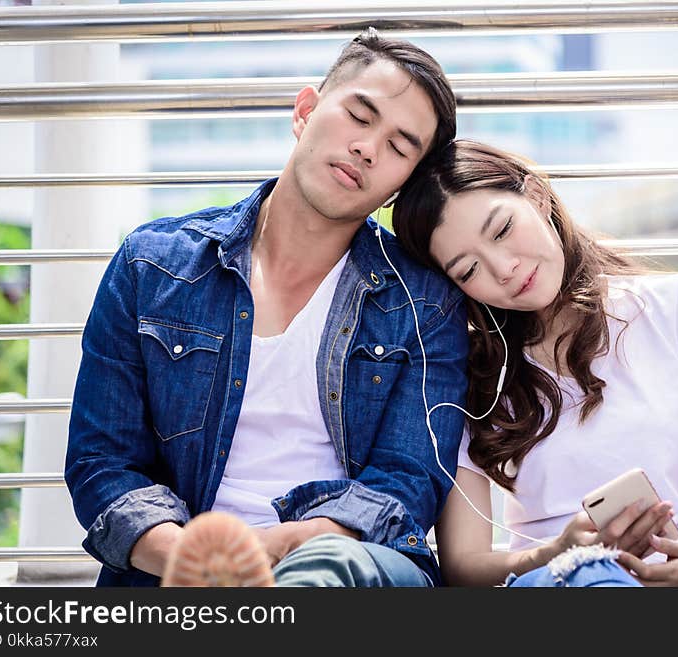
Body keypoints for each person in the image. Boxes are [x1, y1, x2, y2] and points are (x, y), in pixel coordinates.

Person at [65, 29, 470, 588]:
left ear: (403, 183)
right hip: (175, 569)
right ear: (306, 110)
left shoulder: (426, 303)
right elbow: (102, 463)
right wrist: (192, 560)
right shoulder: (151, 266)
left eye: (400, 147)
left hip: (350, 566)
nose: (368, 148)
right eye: (359, 115)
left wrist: (278, 549)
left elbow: (407, 480)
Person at [392, 139, 678, 587]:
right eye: (468, 270)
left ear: (535, 196)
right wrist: (557, 553)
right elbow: (463, 563)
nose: (503, 268)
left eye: (501, 230)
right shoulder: (469, 376)